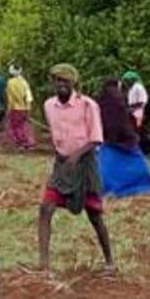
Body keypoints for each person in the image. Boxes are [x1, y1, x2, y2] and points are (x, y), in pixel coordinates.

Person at [38, 65, 115, 274]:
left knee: (94, 215)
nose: (61, 85)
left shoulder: (88, 105)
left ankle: (110, 262)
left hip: (85, 165)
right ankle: (43, 265)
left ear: (74, 84)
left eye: (66, 81)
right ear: (53, 83)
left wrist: (76, 154)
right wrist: (61, 153)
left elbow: (96, 138)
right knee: (45, 208)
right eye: (58, 81)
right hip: (62, 165)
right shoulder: (49, 106)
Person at [96, 77, 150, 199]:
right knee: (135, 161)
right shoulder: (119, 99)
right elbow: (123, 120)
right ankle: (140, 185)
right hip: (124, 137)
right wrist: (130, 135)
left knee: (107, 165)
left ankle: (108, 188)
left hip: (107, 138)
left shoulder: (101, 100)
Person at [4, 65, 36, 150]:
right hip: (25, 108)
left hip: (16, 108)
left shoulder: (10, 82)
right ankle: (28, 143)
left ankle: (20, 143)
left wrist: (8, 109)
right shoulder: (24, 81)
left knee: (15, 126)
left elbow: (10, 98)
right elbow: (29, 96)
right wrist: (29, 107)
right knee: (24, 125)